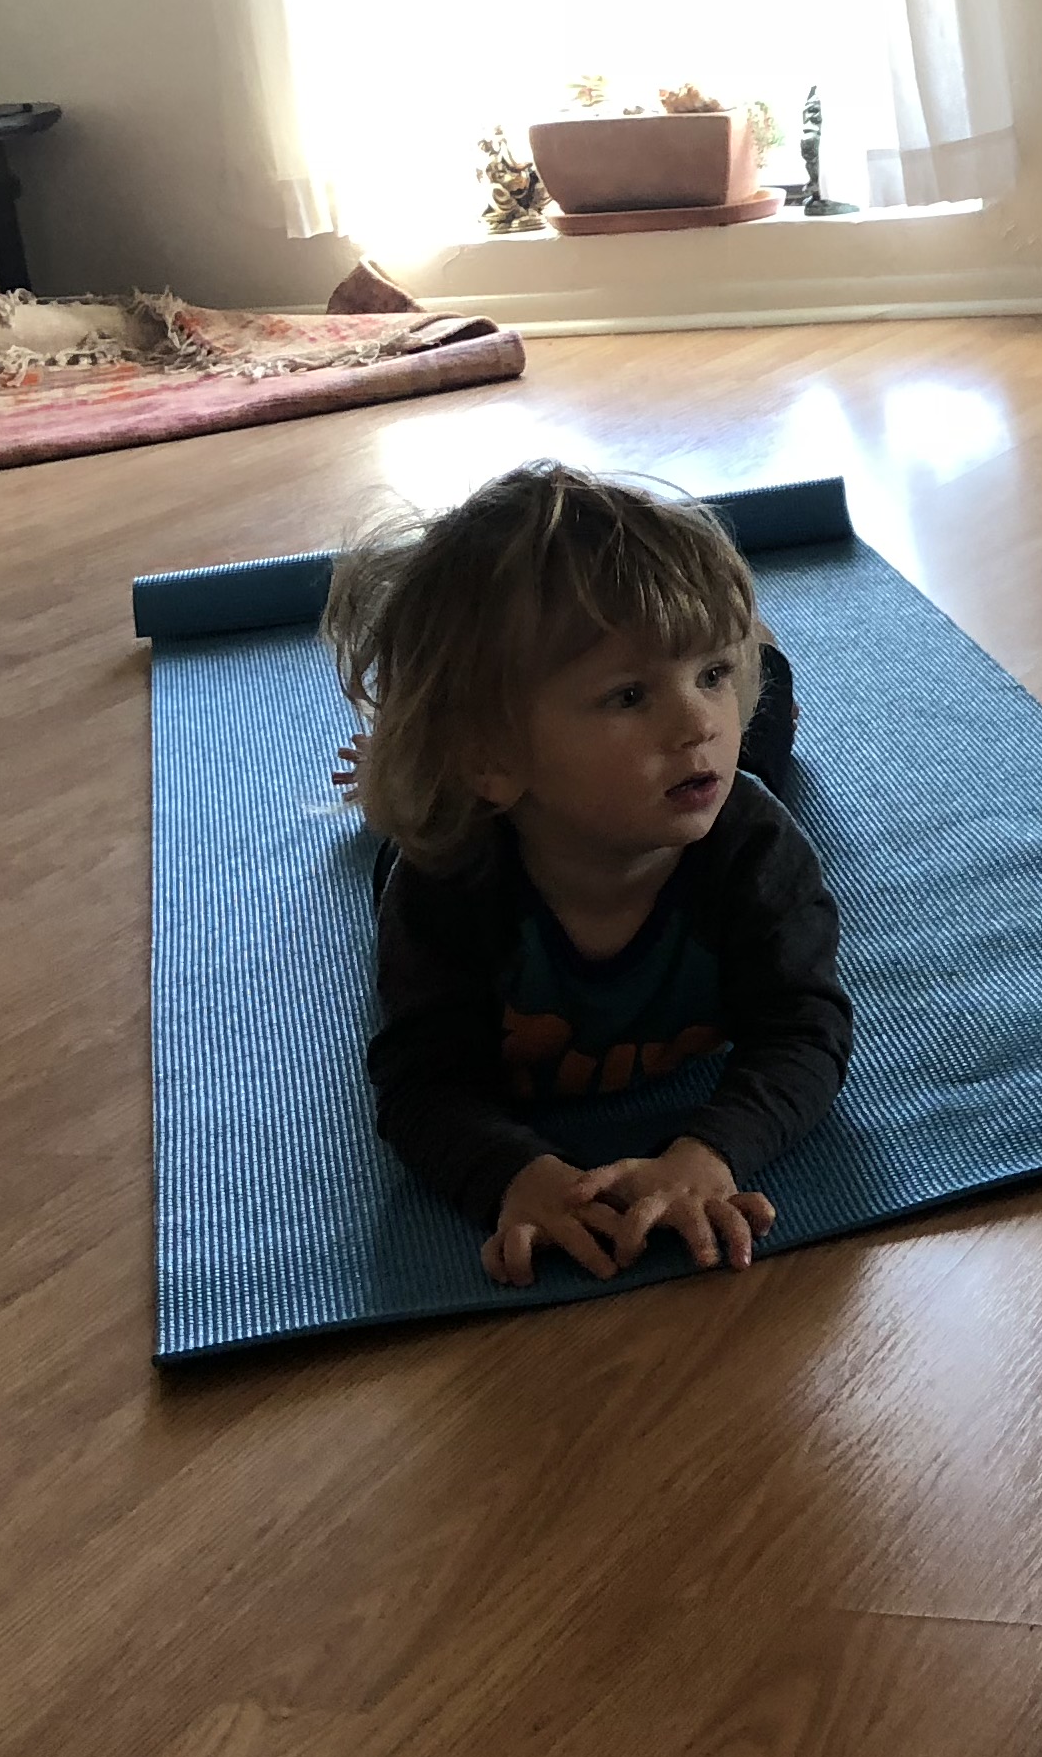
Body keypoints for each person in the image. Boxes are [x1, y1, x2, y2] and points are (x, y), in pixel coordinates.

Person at [326, 462, 851, 1287]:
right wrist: (517, 1177)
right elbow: (424, 1084)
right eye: (628, 696)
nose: (694, 722)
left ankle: (758, 662)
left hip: (706, 793)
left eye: (712, 674)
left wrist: (709, 1154)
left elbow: (804, 1029)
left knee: (756, 739)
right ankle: (411, 755)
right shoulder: (446, 881)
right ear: (495, 757)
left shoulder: (752, 845)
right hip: (469, 802)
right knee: (412, 807)